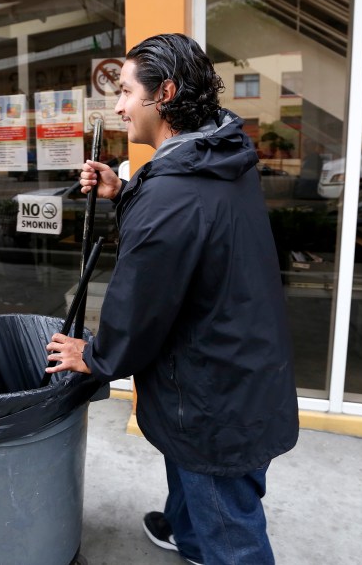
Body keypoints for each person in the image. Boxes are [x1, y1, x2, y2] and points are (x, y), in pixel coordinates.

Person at [45, 34, 298, 565]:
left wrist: (94, 357)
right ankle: (186, 531)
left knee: (229, 521)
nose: (118, 106)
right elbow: (186, 227)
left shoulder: (173, 189)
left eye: (127, 92)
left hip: (212, 387)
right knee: (198, 468)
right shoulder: (217, 153)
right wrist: (124, 191)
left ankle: (209, 541)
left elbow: (139, 301)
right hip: (240, 359)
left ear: (165, 93)